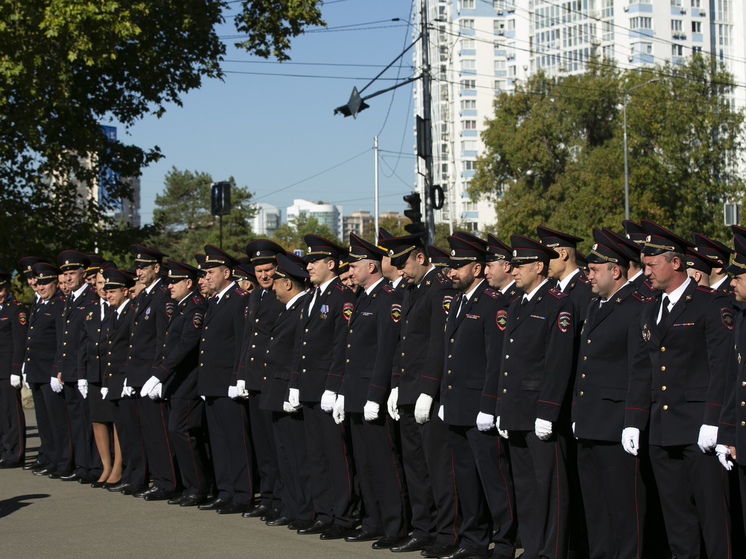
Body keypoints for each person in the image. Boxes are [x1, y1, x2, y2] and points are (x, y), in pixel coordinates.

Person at [623, 220, 733, 559]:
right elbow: (642, 368)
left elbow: (722, 367)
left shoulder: (709, 303)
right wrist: (633, 420)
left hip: (699, 426)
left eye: (651, 265)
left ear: (675, 262)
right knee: (677, 519)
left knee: (715, 518)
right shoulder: (648, 309)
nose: (646, 274)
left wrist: (713, 419)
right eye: (643, 266)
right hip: (661, 428)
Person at [379, 232, 459, 557]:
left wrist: (428, 389)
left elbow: (439, 345)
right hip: (409, 391)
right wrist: (397, 385)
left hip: (430, 393)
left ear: (421, 257)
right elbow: (405, 343)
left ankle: (448, 533)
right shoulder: (411, 290)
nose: (400, 270)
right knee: (415, 467)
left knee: (439, 468)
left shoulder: (438, 288)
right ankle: (423, 528)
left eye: (403, 263)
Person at [573, 228, 651, 559]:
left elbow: (640, 369)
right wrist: (578, 413)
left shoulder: (637, 306)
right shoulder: (595, 305)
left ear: (615, 270)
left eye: (594, 269)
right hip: (591, 420)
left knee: (624, 510)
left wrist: (633, 419)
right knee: (596, 508)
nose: (587, 275)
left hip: (617, 423)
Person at [498, 235, 575, 559]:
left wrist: (548, 410)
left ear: (539, 267)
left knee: (551, 488)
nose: (514, 271)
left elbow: (559, 362)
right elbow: (507, 362)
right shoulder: (517, 305)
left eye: (520, 266)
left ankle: (552, 552)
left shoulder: (558, 304)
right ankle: (532, 549)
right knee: (526, 487)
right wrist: (501, 408)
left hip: (540, 413)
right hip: (516, 409)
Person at [333, 233, 408, 551]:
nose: (349, 272)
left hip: (371, 396)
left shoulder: (387, 299)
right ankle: (374, 521)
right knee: (364, 462)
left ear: (370, 266)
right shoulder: (363, 298)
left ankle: (395, 524)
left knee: (384, 463)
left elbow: (386, 351)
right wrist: (341, 391)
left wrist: (376, 394)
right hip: (355, 394)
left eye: (353, 267)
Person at [287, 234, 358, 540]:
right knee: (316, 453)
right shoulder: (312, 297)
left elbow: (342, 346)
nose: (309, 266)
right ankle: (324, 511)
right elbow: (299, 346)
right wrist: (294, 384)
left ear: (331, 264)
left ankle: (343, 516)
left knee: (336, 454)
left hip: (328, 388)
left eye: (314, 261)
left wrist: (334, 386)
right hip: (308, 386)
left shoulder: (342, 296)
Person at [196, 245, 253, 515]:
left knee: (236, 440)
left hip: (228, 382)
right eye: (205, 273)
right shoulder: (216, 299)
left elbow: (241, 341)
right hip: (212, 381)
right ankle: (226, 490)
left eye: (211, 272)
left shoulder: (239, 299)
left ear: (226, 272)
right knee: (218, 441)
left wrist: (236, 377)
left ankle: (243, 493)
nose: (206, 277)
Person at [149, 260, 210, 506]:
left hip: (188, 381)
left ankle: (197, 487)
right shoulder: (181, 306)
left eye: (174, 282)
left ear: (189, 283)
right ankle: (190, 485)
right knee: (177, 432)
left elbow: (186, 345)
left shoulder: (195, 307)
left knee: (181, 431)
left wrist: (160, 374)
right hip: (176, 380)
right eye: (168, 281)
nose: (169, 286)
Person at [259, 253, 313, 528]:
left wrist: (294, 387)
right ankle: (291, 507)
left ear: (288, 283)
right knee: (285, 455)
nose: (272, 285)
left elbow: (299, 353)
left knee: (298, 456)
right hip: (277, 390)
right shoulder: (291, 308)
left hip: (288, 391)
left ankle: (304, 510)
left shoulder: (303, 307)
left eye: (277, 280)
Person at [236, 239, 286, 521]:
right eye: (259, 271)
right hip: (254, 379)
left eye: (268, 270)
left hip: (272, 379)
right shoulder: (255, 296)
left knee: (276, 444)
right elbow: (249, 337)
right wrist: (242, 374)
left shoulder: (281, 294)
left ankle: (280, 498)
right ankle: (267, 496)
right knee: (262, 446)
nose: (264, 276)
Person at [123, 245, 177, 500]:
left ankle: (168, 482)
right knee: (148, 433)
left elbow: (163, 341)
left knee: (160, 433)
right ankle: (159, 478)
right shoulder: (145, 295)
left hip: (151, 376)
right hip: (139, 374)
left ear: (157, 267)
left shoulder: (164, 296)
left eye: (143, 267)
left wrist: (158, 376)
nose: (138, 271)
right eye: (137, 267)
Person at [54, 250, 102, 483]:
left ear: (84, 274)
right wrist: (60, 367)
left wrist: (82, 369)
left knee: (88, 419)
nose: (68, 278)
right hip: (70, 369)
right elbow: (65, 338)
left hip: (84, 369)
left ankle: (94, 466)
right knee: (76, 421)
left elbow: (88, 338)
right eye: (65, 274)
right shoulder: (70, 299)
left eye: (72, 273)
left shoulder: (91, 297)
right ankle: (83, 464)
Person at [25, 261, 71, 478]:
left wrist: (56, 370)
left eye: (45, 283)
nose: (41, 287)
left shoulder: (60, 304)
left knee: (57, 422)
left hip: (49, 371)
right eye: (38, 283)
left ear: (55, 283)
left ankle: (63, 461)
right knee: (43, 421)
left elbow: (61, 341)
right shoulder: (40, 304)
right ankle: (50, 458)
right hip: (36, 370)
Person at [78, 261, 122, 487]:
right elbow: (83, 343)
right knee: (98, 420)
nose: (103, 288)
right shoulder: (90, 310)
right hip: (94, 371)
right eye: (99, 283)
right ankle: (105, 466)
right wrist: (82, 374)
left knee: (115, 421)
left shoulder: (120, 307)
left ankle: (118, 467)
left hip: (112, 371)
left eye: (106, 284)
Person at [99, 267, 137, 493]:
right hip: (114, 380)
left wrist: (126, 378)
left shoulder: (131, 312)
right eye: (106, 290)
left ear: (125, 290)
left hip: (125, 380)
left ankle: (133, 474)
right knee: (123, 431)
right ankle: (128, 472)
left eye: (112, 290)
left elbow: (130, 348)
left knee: (131, 432)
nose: (108, 294)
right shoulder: (115, 314)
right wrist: (106, 381)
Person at [0, 270, 28, 468]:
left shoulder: (16, 310)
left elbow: (20, 343)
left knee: (11, 414)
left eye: (0, 289)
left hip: (7, 370)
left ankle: (15, 453)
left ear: (6, 288)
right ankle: (3, 450)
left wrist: (16, 370)